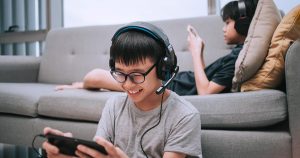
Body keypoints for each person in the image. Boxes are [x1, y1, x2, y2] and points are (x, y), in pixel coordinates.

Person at [42, 22, 202, 158]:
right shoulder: (114, 106)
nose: (127, 84)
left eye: (136, 74)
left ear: (163, 69)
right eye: (120, 73)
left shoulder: (185, 116)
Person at [55, 0, 257, 96]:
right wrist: (201, 52)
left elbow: (204, 92)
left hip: (171, 85)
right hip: (177, 80)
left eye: (228, 22)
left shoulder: (238, 58)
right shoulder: (238, 53)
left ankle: (85, 85)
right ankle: (87, 85)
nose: (224, 29)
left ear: (243, 23)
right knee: (95, 78)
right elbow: (202, 79)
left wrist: (195, 53)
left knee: (93, 76)